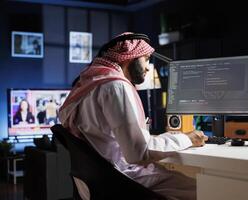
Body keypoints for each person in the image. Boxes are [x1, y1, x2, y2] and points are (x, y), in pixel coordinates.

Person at [58, 32, 208, 200]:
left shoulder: (89, 85)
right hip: (125, 180)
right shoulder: (115, 86)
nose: (147, 67)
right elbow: (138, 153)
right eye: (146, 59)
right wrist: (187, 138)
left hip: (96, 185)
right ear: (130, 58)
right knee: (205, 190)